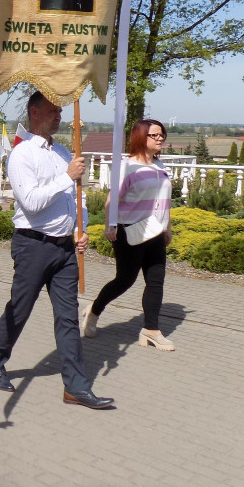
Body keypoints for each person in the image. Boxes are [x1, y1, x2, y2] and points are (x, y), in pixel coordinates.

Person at [0, 90, 113, 410]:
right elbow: (32, 203)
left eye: (61, 111)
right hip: (33, 245)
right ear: (34, 113)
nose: (60, 116)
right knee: (20, 308)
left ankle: (76, 386)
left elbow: (77, 197)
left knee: (67, 318)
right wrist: (66, 177)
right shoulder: (21, 155)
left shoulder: (65, 151)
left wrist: (81, 228)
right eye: (53, 110)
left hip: (65, 249)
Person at [82, 119, 175, 351]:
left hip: (155, 232)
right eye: (154, 135)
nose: (160, 138)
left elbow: (164, 202)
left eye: (162, 134)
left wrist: (167, 227)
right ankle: (94, 310)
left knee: (156, 281)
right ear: (140, 138)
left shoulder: (160, 165)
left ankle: (151, 330)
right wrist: (109, 224)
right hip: (129, 229)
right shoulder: (127, 166)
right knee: (125, 280)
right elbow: (112, 200)